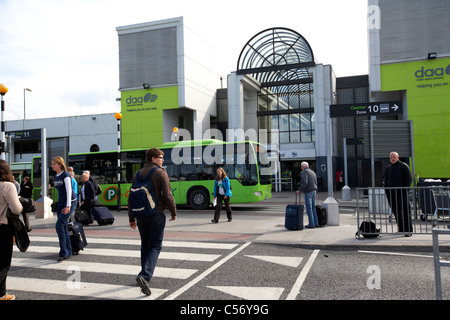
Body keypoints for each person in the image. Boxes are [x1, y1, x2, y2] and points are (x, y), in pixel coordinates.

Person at [128, 148, 176, 296]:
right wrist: (173, 212)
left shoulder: (137, 174)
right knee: (155, 246)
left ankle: (144, 275)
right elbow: (168, 194)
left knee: (145, 245)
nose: (163, 160)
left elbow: (131, 196)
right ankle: (144, 275)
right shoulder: (160, 173)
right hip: (156, 213)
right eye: (161, 157)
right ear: (153, 158)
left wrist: (131, 218)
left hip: (141, 214)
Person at [0, 160, 23, 300]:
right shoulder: (8, 186)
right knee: (3, 262)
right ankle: (1, 293)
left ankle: (2, 293)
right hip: (3, 227)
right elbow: (16, 208)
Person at [51, 156, 77, 261]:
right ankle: (68, 251)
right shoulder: (56, 176)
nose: (52, 165)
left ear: (60, 164)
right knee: (63, 226)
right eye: (52, 164)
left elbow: (69, 191)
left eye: (54, 164)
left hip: (70, 202)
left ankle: (63, 252)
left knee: (59, 226)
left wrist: (68, 206)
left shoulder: (66, 175)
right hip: (61, 203)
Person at [384, 151, 413, 237]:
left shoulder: (404, 166)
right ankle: (401, 228)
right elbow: (386, 181)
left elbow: (408, 179)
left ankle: (408, 230)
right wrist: (387, 192)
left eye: (394, 157)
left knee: (405, 211)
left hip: (402, 193)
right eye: (391, 157)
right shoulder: (388, 168)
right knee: (396, 211)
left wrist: (405, 190)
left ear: (398, 157)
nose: (392, 159)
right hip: (391, 194)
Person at [296, 162, 319, 228]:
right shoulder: (313, 172)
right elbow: (315, 182)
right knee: (313, 208)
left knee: (309, 208)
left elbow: (304, 182)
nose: (301, 168)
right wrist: (316, 192)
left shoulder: (305, 172)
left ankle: (311, 224)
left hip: (308, 191)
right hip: (314, 191)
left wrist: (299, 190)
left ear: (303, 167)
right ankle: (316, 223)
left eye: (301, 167)